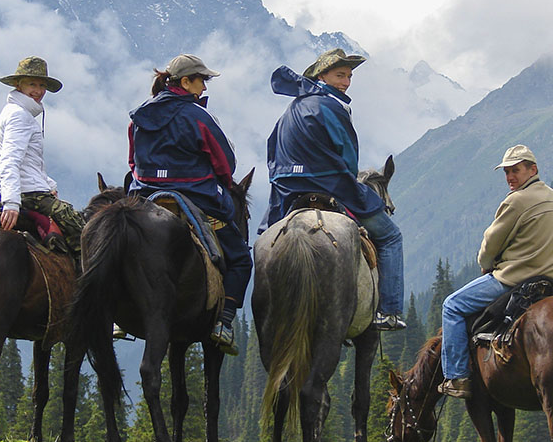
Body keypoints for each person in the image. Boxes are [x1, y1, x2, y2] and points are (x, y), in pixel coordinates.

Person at [263, 48, 406, 331]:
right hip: (329, 185)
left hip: (288, 191)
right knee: (391, 237)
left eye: (349, 76)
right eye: (340, 75)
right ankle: (388, 312)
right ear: (322, 75)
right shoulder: (332, 107)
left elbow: (272, 150)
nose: (346, 82)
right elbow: (349, 158)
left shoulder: (291, 109)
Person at [127, 54, 251, 356]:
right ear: (186, 82)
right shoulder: (197, 116)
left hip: (145, 194)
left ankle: (118, 317)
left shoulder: (139, 117)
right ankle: (223, 322)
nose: (204, 87)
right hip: (195, 194)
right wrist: (222, 181)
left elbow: (132, 160)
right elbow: (226, 164)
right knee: (240, 259)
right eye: (202, 80)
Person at [438, 144, 553, 398]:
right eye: (507, 172)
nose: (510, 177)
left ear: (533, 169)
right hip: (552, 282)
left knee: (451, 305)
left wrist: (486, 263)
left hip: (514, 280)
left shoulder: (516, 201)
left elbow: (489, 246)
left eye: (516, 170)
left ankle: (457, 377)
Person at [0, 56, 86, 267]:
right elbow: (10, 160)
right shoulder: (20, 116)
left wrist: (49, 185)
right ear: (18, 85)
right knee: (78, 226)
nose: (38, 90)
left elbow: (28, 163)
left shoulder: (12, 112)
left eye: (41, 85)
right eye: (32, 84)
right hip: (24, 194)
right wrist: (11, 202)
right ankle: (84, 281)